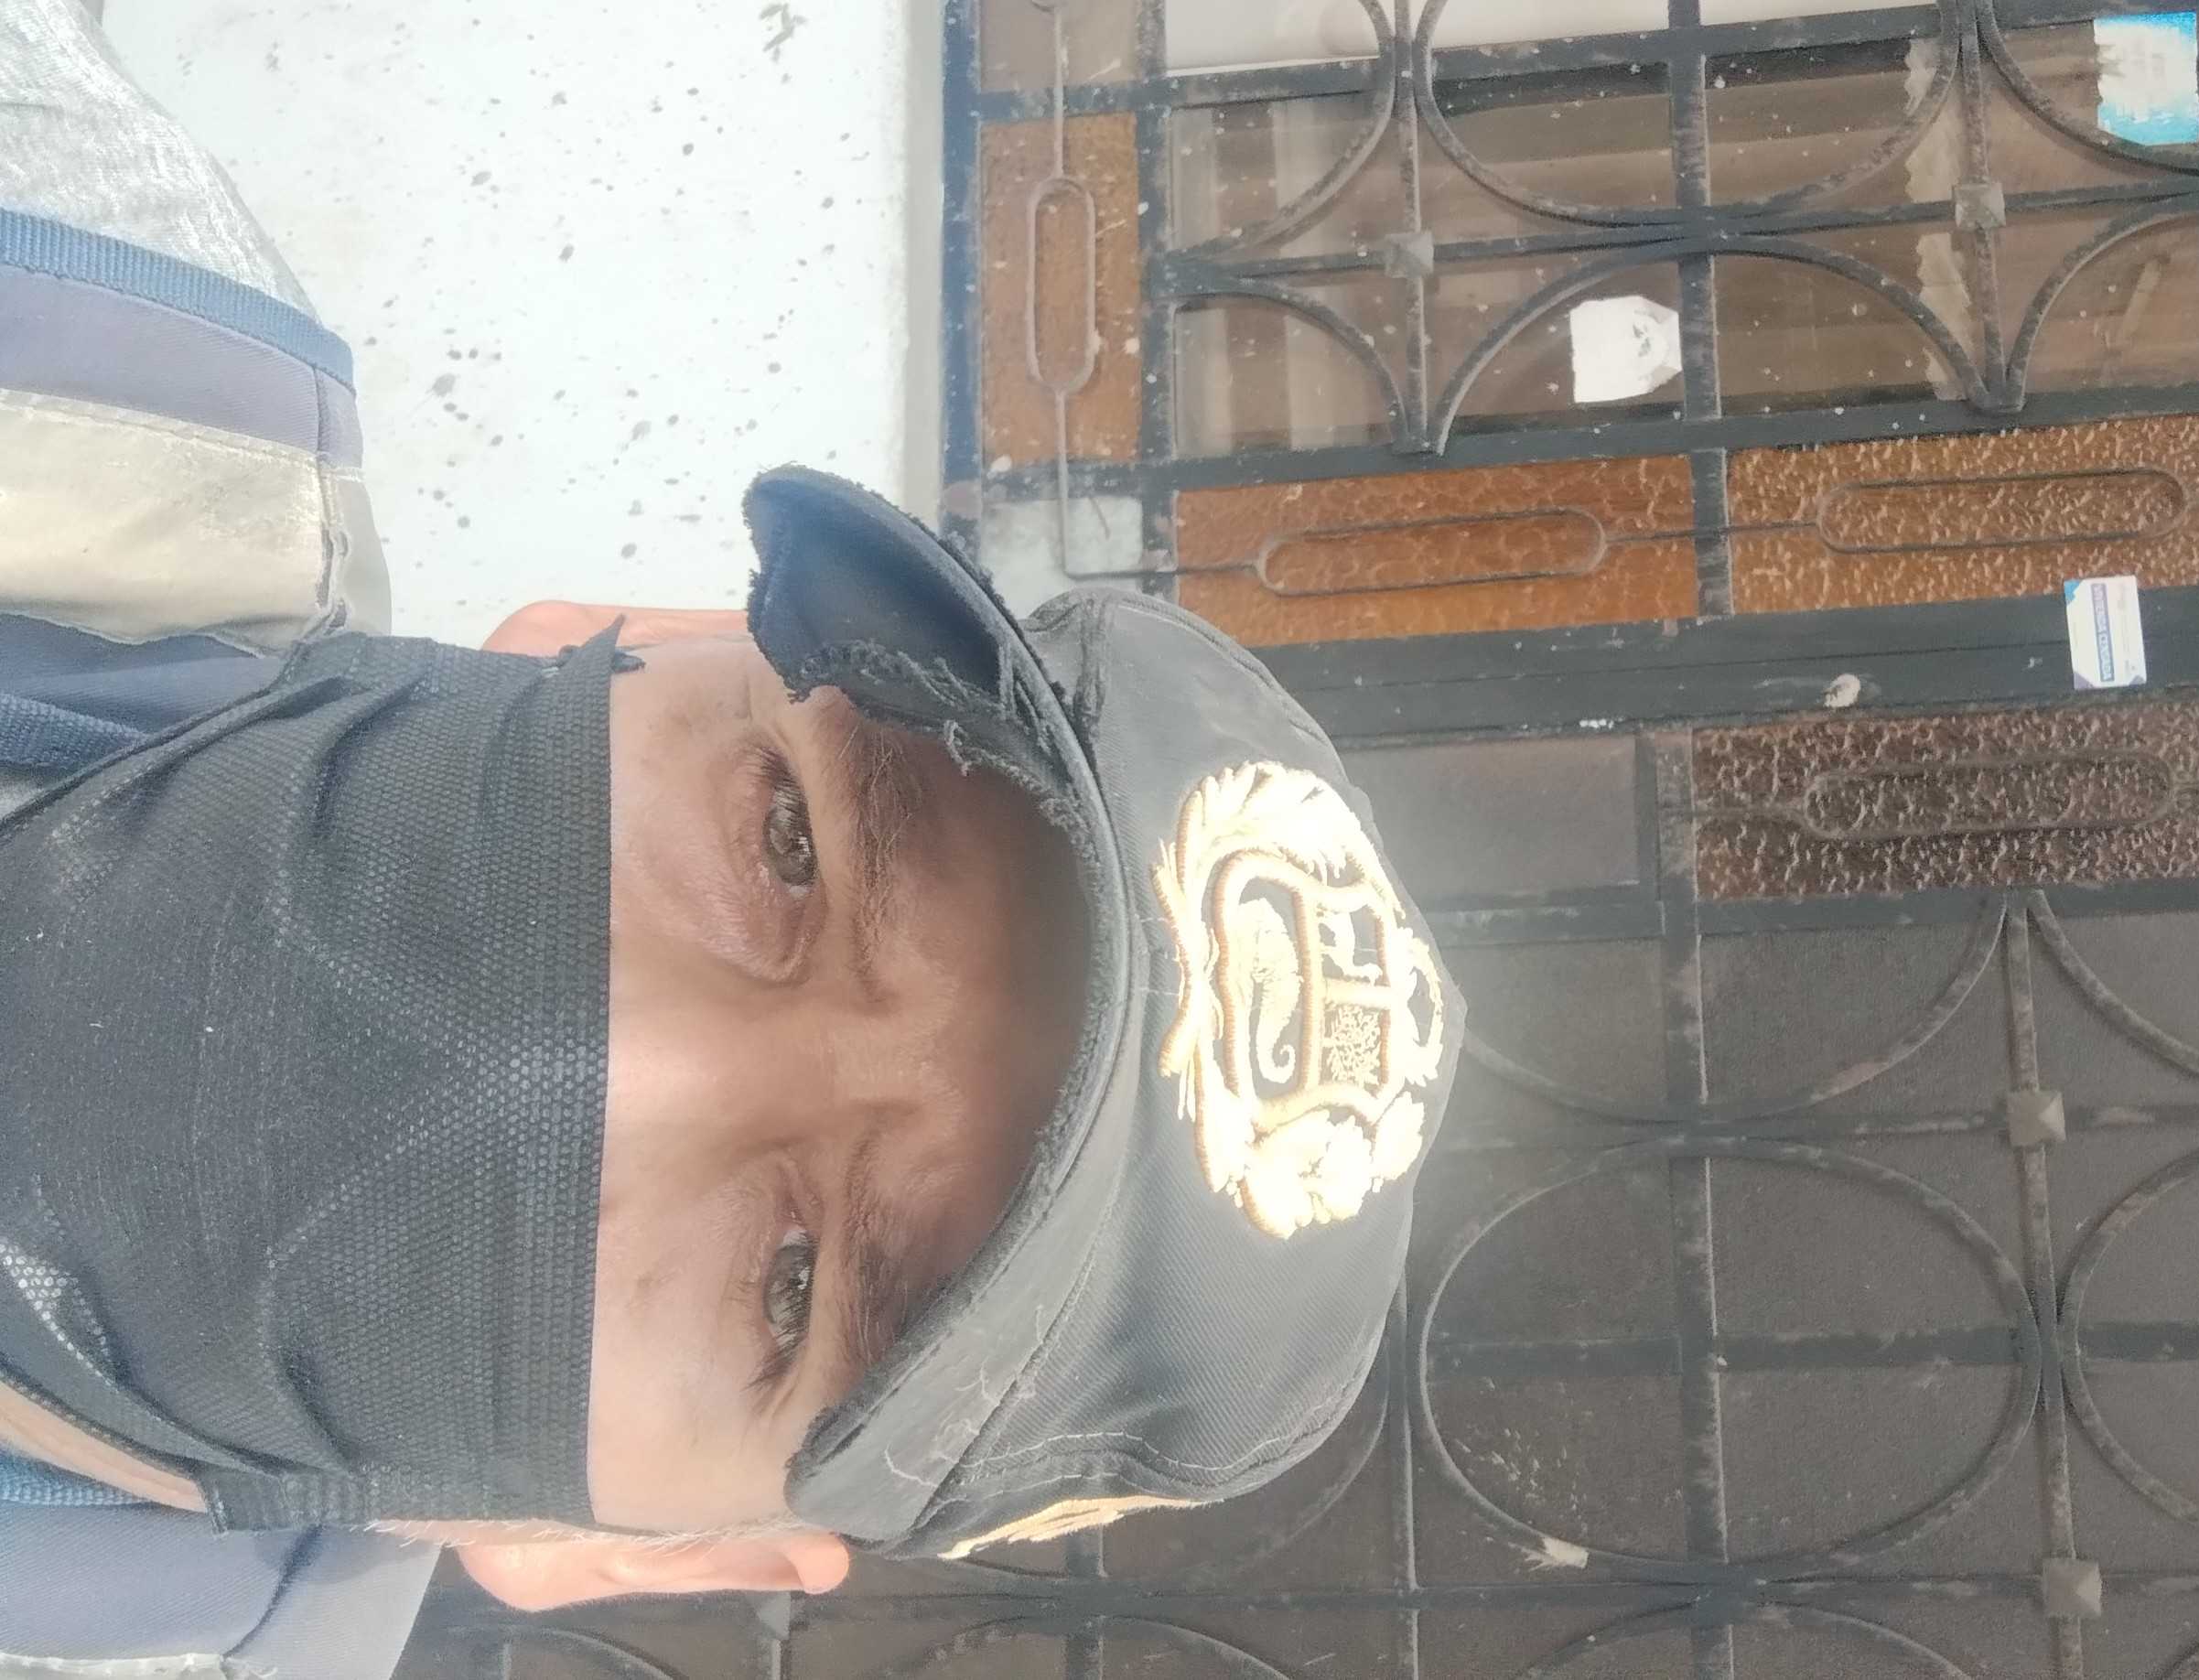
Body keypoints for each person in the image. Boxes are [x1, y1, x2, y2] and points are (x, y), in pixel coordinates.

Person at [0, 1, 1462, 1672]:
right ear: (620, 630)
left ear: (636, 1558)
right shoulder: (95, 308)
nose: (600, 1068)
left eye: (793, 1294)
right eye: (788, 840)